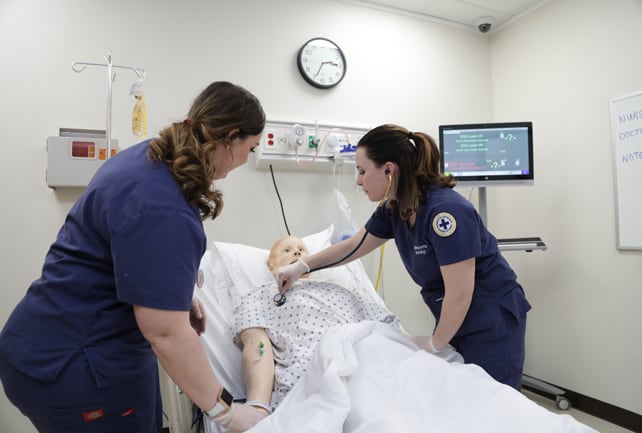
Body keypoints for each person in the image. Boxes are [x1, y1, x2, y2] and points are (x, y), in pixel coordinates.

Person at [0, 82, 268, 433]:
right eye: (251, 147)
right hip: (78, 367)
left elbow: (128, 250)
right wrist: (227, 413)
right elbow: (167, 334)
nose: (248, 159)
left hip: (37, 345)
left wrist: (173, 293)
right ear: (231, 137)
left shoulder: (148, 157)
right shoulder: (163, 207)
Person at [275, 124, 532, 390]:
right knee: (464, 400)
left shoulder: (447, 212)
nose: (358, 180)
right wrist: (301, 266)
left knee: (494, 402)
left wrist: (435, 343)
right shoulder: (395, 208)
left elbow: (460, 292)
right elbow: (352, 246)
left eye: (362, 171)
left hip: (491, 321)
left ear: (389, 169)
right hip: (456, 319)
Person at [231, 235, 413, 412]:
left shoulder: (341, 287)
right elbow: (256, 344)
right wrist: (258, 405)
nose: (297, 253)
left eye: (301, 250)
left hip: (364, 360)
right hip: (310, 366)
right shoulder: (263, 296)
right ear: (272, 266)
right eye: (287, 250)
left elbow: (385, 326)